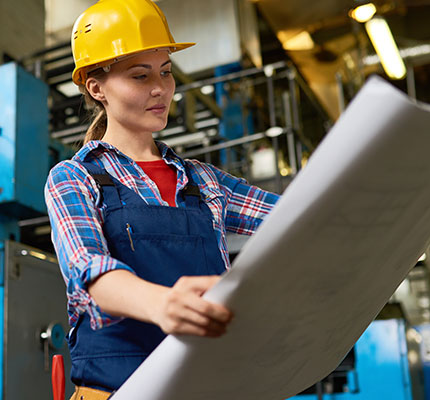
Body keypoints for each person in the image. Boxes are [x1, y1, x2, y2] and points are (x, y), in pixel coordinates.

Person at [44, 1, 280, 399]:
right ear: (96, 88)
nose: (160, 88)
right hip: (116, 391)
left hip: (208, 387)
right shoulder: (74, 179)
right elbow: (92, 272)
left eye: (166, 72)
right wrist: (164, 304)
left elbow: (296, 219)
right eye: (140, 75)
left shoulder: (206, 182)